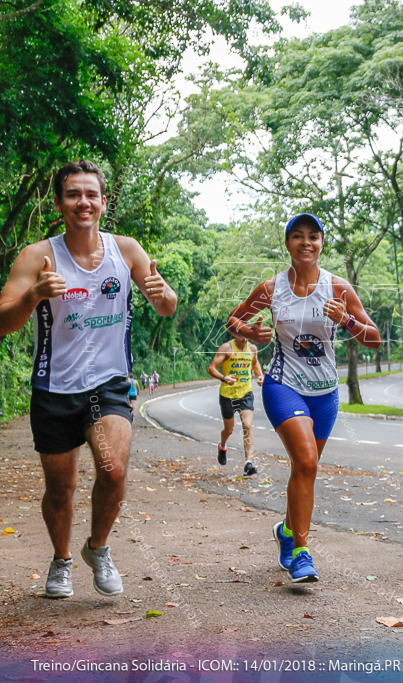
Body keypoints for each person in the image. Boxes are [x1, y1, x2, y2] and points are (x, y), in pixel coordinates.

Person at [0, 160, 177, 599]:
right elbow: (3, 321)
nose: (84, 202)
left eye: (91, 194)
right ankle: (61, 560)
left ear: (102, 202)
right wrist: (34, 294)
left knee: (113, 471)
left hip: (107, 384)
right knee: (61, 490)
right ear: (59, 203)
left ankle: (97, 547)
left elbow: (167, 305)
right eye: (74, 194)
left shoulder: (127, 250)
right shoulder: (36, 256)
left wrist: (163, 295)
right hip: (54, 387)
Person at [227, 213, 380, 583]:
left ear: (322, 243)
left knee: (303, 471)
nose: (306, 242)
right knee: (308, 462)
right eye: (298, 236)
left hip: (325, 393)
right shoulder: (271, 288)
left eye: (314, 236)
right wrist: (251, 331)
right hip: (283, 384)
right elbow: (233, 321)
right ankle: (301, 552)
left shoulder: (338, 287)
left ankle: (285, 531)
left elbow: (373, 339)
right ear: (288, 244)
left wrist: (346, 320)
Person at [207, 332, 264, 476]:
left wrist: (260, 374)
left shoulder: (252, 349)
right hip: (228, 395)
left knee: (247, 425)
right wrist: (224, 377)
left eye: (247, 335)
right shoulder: (226, 348)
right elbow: (211, 368)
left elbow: (255, 362)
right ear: (235, 333)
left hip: (246, 393)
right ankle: (223, 446)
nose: (244, 338)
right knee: (229, 430)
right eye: (241, 334)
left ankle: (248, 463)